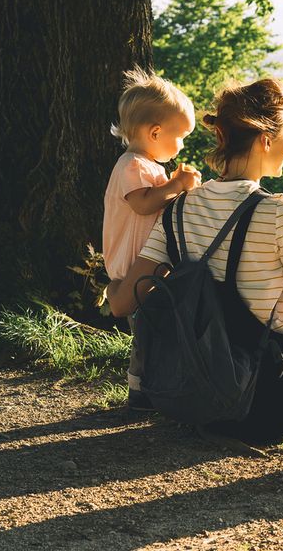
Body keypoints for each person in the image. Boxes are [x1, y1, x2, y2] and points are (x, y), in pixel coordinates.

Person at [109, 77, 283, 442]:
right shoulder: (280, 211)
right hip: (268, 406)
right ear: (266, 138)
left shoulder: (179, 206)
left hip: (198, 394)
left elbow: (120, 304)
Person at [103, 68, 202, 409]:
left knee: (155, 325)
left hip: (147, 266)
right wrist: (176, 186)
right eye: (181, 136)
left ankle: (155, 382)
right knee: (145, 330)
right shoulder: (132, 166)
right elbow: (144, 204)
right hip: (135, 266)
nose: (183, 144)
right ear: (155, 132)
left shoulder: (150, 168)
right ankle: (140, 389)